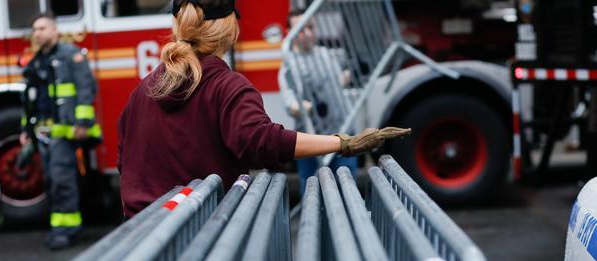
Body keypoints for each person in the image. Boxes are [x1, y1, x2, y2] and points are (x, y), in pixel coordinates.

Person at [117, 0, 410, 218]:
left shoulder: (141, 92)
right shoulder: (228, 86)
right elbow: (262, 142)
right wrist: (344, 143)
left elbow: (125, 161)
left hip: (143, 238)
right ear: (231, 31)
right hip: (199, 236)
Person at [19, 12, 101, 250]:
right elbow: (30, 101)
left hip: (66, 133)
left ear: (55, 30)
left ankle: (65, 230)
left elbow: (86, 88)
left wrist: (83, 124)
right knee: (51, 180)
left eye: (42, 28)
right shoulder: (35, 63)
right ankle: (63, 225)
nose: (38, 33)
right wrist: (26, 129)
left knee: (61, 179)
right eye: (34, 29)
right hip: (44, 134)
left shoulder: (70, 56)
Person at [278, 8, 358, 196]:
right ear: (289, 33)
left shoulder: (327, 55)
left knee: (348, 192)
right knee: (313, 197)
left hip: (343, 134)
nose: (307, 33)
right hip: (310, 142)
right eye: (300, 29)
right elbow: (290, 103)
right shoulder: (289, 65)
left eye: (310, 27)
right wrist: (303, 108)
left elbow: (339, 81)